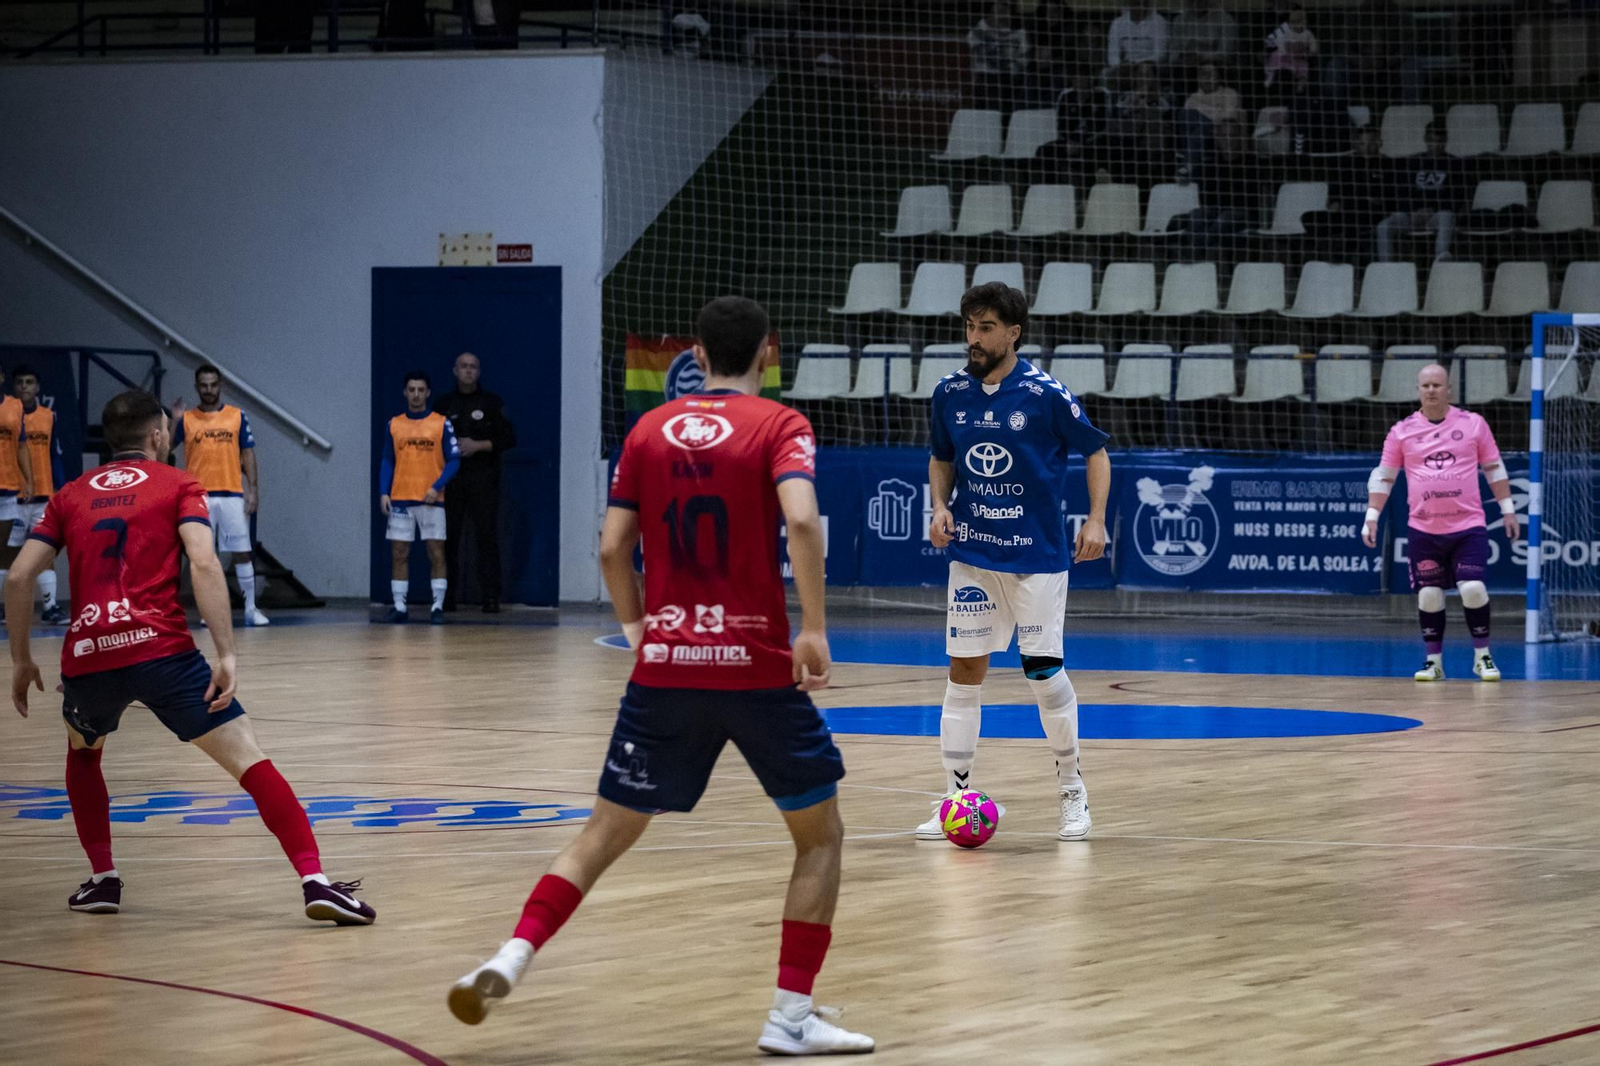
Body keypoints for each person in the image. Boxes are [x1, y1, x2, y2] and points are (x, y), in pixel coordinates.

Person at [446, 297, 872, 1056]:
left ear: (698, 359)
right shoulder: (781, 426)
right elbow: (802, 521)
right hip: (755, 670)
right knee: (819, 838)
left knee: (603, 833)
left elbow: (612, 549)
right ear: (766, 357)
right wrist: (812, 627)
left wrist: (642, 630)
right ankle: (789, 1017)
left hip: (666, 669)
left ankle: (512, 953)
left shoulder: (647, 429)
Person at [4, 389, 376, 923]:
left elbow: (19, 576)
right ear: (157, 435)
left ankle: (104, 880)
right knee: (248, 757)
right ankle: (315, 880)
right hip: (163, 652)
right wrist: (226, 652)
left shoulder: (70, 494)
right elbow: (203, 563)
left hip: (89, 656)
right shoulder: (179, 483)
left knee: (84, 752)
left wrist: (21, 659)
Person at [918, 282, 1112, 843]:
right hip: (974, 556)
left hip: (1036, 559)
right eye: (969, 327)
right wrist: (939, 506)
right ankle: (955, 798)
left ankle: (1073, 790)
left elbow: (1095, 452)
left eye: (984, 328)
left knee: (1043, 673)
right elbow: (941, 456)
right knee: (963, 673)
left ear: (1012, 333)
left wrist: (1095, 520)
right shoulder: (950, 392)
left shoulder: (1045, 394)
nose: (973, 339)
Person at [1361, 365, 1518, 682]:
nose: (1431, 390)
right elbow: (1383, 476)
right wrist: (1371, 517)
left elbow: (1494, 467)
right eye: (1425, 385)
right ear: (1418, 390)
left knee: (1472, 589)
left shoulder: (1473, 425)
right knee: (1429, 596)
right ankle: (1434, 662)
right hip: (1424, 529)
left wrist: (1508, 508)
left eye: (1437, 385)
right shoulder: (1402, 431)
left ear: (1449, 389)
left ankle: (1482, 657)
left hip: (1467, 526)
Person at [171, 365, 269, 626]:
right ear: (196, 387)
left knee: (241, 552)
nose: (209, 390)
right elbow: (164, 450)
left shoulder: (237, 416)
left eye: (213, 384)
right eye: (204, 385)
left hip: (232, 494)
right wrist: (174, 420)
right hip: (197, 496)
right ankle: (208, 613)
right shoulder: (187, 419)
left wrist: (253, 489)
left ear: (220, 385)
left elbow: (248, 453)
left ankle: (250, 609)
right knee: (203, 556)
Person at [433, 352, 516, 613]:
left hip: (483, 481)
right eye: (463, 367)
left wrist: (478, 445)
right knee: (449, 540)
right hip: (452, 481)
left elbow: (508, 439)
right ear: (455, 371)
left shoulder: (491, 403)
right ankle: (447, 597)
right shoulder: (444, 404)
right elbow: (432, 442)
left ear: (478, 372)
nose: (468, 371)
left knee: (486, 539)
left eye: (473, 367)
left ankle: (490, 597)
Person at [379, 371, 460, 624]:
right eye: (411, 390)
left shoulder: (441, 423)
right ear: (405, 392)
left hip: (431, 500)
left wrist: (437, 487)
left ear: (428, 393)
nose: (415, 394)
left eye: (420, 390)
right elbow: (387, 460)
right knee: (399, 552)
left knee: (436, 552)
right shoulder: (394, 424)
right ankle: (400, 606)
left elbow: (454, 461)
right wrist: (384, 491)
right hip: (401, 498)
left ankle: (437, 606)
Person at [8, 366, 67, 624]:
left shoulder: (48, 416)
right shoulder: (6, 414)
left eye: (29, 382)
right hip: (13, 495)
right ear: (13, 386)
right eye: (20, 382)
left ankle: (50, 608)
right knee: (8, 555)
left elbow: (55, 456)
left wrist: (62, 489)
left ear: (38, 388)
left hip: (43, 495)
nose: (24, 386)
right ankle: (5, 608)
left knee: (44, 553)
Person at [1377, 125, 1467, 262]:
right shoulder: (1413, 162)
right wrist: (1412, 211)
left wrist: (1432, 210)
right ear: (1425, 139)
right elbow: (1401, 192)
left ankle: (1441, 261)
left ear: (1446, 141)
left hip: (1435, 216)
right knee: (1384, 226)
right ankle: (1387, 268)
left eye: (1440, 141)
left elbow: (1457, 196)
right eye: (1432, 140)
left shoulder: (1455, 164)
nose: (1436, 145)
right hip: (1410, 216)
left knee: (1447, 216)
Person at [0, 363, 36, 621]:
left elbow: (22, 446)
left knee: (4, 551)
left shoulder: (14, 406)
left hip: (8, 486)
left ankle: (2, 606)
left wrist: (29, 479)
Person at [968, 0, 1031, 110]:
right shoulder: (980, 28)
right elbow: (974, 46)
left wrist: (1006, 68)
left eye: (1005, 6)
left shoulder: (1020, 33)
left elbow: (1023, 61)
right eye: (999, 4)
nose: (1001, 8)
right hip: (985, 79)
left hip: (1008, 81)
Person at [1263, 4, 1318, 89]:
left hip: (1299, 58)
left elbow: (1313, 46)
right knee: (1275, 58)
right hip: (1284, 57)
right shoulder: (1287, 31)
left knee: (1303, 68)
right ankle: (1270, 78)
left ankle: (1301, 83)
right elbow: (1282, 44)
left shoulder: (1307, 33)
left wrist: (1307, 51)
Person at [1106, 0, 1168, 73]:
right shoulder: (1117, 23)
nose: (1138, 7)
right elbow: (1112, 55)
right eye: (1135, 3)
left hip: (1151, 66)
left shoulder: (1159, 21)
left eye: (1141, 3)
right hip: (1124, 68)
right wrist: (1119, 65)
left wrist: (1140, 64)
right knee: (1105, 73)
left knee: (1144, 72)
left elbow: (1160, 54)